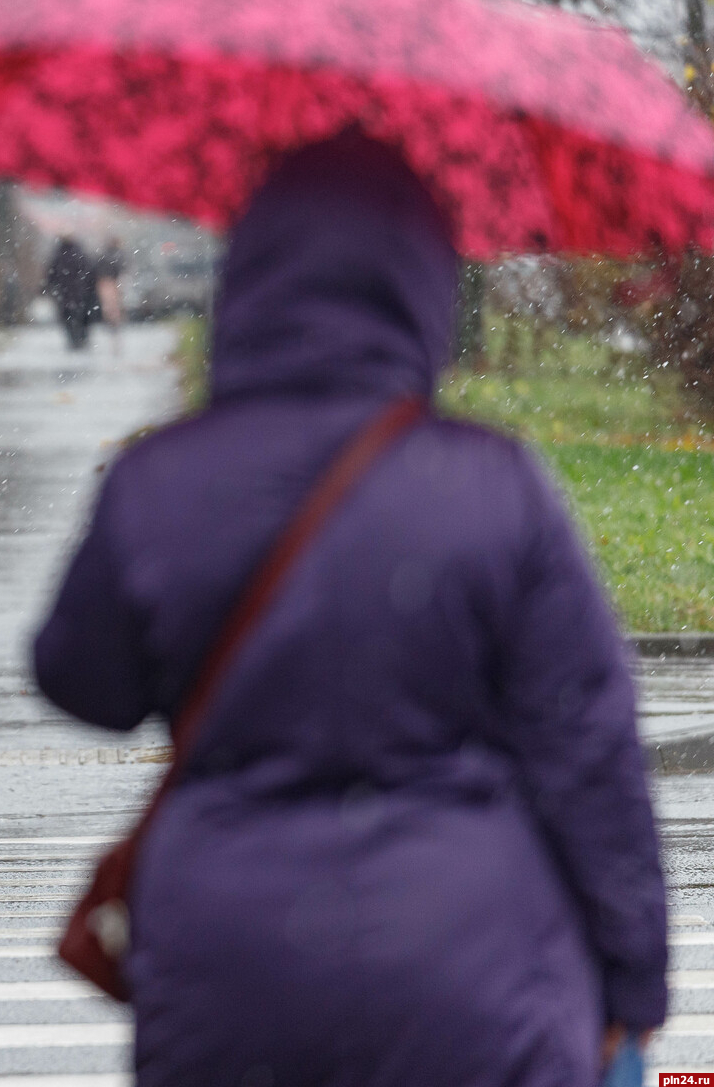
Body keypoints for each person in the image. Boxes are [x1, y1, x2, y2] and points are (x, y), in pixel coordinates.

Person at [33, 132, 665, 1085]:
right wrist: (633, 978)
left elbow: (81, 681)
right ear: (420, 282)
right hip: (473, 968)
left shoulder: (158, 483)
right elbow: (589, 753)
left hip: (233, 978)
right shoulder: (496, 488)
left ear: (247, 275)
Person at [44, 236, 96, 349]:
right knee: (81, 316)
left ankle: (72, 339)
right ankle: (82, 337)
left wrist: (49, 287)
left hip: (64, 294)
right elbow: (90, 273)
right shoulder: (80, 254)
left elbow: (50, 275)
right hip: (80, 293)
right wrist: (90, 288)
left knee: (67, 317)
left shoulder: (57, 255)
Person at [94, 235, 126, 348]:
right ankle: (114, 322)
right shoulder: (118, 255)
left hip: (105, 282)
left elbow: (97, 268)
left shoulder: (105, 255)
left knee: (108, 306)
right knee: (114, 306)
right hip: (112, 282)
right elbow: (121, 268)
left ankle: (111, 322)